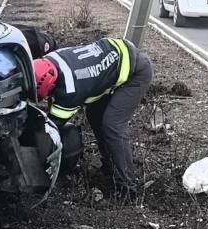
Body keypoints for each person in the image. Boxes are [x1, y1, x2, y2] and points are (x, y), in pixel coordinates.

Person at [34, 37, 153, 198]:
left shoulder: (71, 89)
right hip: (114, 57)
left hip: (136, 72)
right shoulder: (52, 58)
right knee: (95, 114)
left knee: (113, 124)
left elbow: (53, 125)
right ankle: (110, 166)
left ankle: (127, 186)